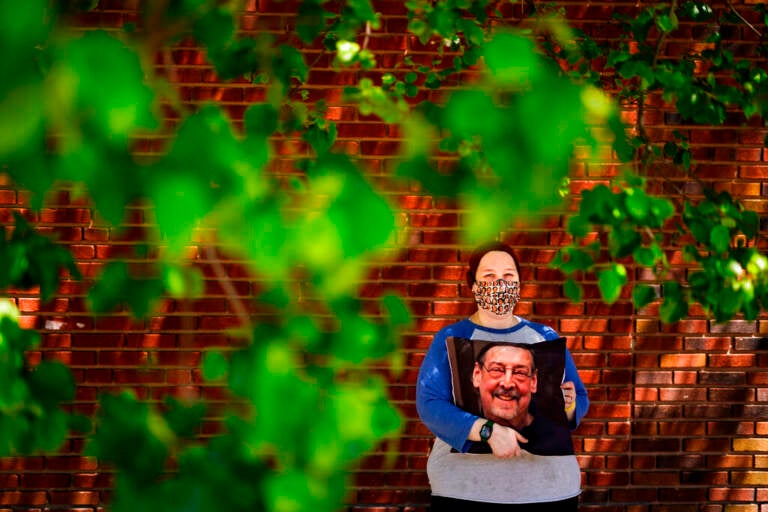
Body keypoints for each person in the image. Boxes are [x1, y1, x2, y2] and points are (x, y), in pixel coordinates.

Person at [416, 241, 589, 511]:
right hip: (467, 491)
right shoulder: (451, 338)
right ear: (473, 284)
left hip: (549, 490)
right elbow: (429, 403)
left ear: (519, 283)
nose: (500, 283)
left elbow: (577, 399)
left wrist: (567, 406)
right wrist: (487, 431)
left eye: (508, 276)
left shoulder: (545, 337)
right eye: (489, 276)